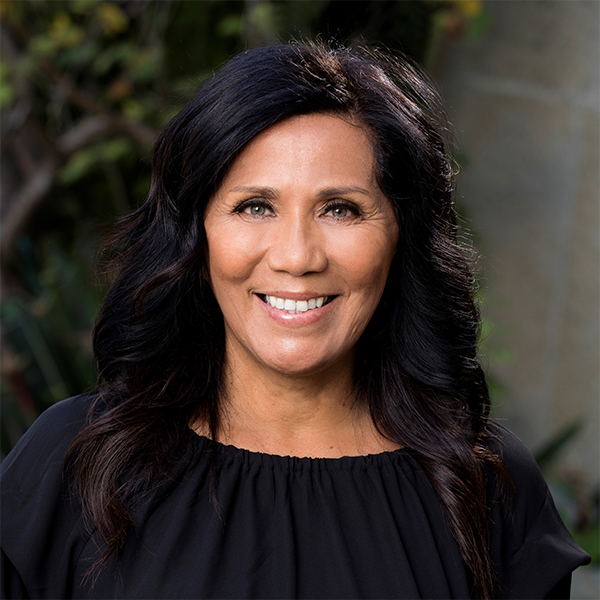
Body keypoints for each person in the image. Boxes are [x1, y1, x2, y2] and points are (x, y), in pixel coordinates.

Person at [0, 42, 590, 600]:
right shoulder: (76, 463)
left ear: (400, 237)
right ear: (195, 236)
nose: (297, 257)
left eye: (341, 209)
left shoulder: (488, 487)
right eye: (255, 206)